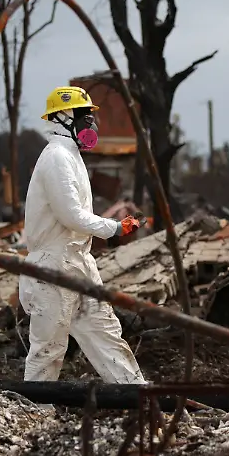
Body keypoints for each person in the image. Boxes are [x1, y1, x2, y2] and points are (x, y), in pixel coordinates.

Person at [19, 85, 145, 383]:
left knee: (106, 334)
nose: (90, 124)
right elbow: (71, 216)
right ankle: (36, 411)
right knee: (48, 348)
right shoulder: (56, 158)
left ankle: (137, 395)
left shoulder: (72, 156)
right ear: (62, 117)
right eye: (83, 115)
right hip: (53, 267)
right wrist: (114, 228)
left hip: (78, 263)